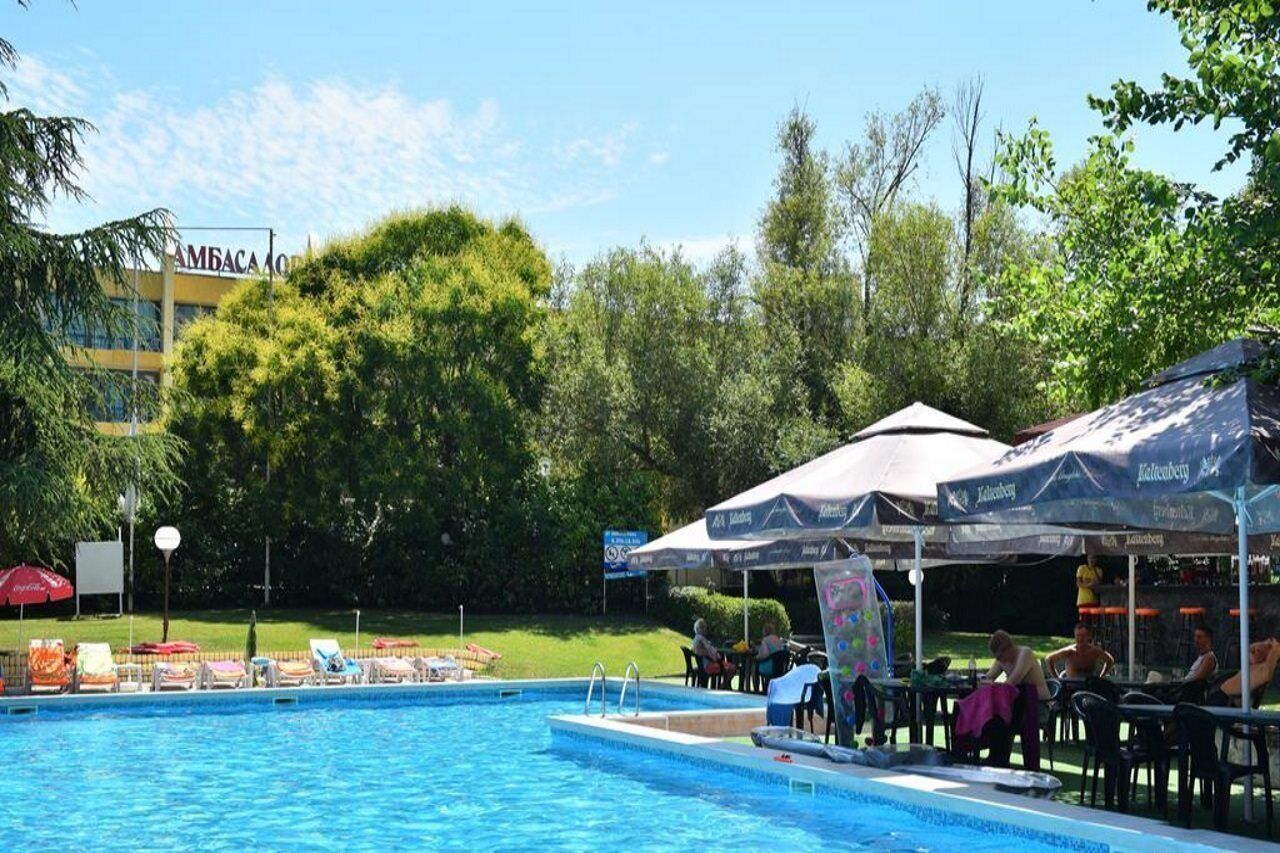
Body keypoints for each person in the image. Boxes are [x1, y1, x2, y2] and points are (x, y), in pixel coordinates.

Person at [984, 629, 1052, 701]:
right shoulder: (1001, 660)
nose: (998, 660)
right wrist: (981, 681)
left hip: (1039, 701)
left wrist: (994, 687)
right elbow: (987, 678)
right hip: (1021, 699)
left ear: (1009, 649)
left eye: (999, 656)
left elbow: (1013, 682)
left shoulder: (1025, 653)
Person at [1216, 637, 1280, 704]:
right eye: (1267, 642)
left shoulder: (1258, 673)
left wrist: (1276, 649)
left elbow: (1265, 673)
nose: (1257, 649)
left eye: (1270, 648)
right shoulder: (1241, 672)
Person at [1045, 623, 1114, 678]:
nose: (1080, 639)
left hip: (1089, 685)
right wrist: (1057, 678)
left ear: (1089, 636)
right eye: (1078, 635)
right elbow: (1049, 659)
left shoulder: (1094, 651)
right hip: (1071, 685)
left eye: (1083, 636)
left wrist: (1102, 676)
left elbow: (1110, 660)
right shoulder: (1069, 651)